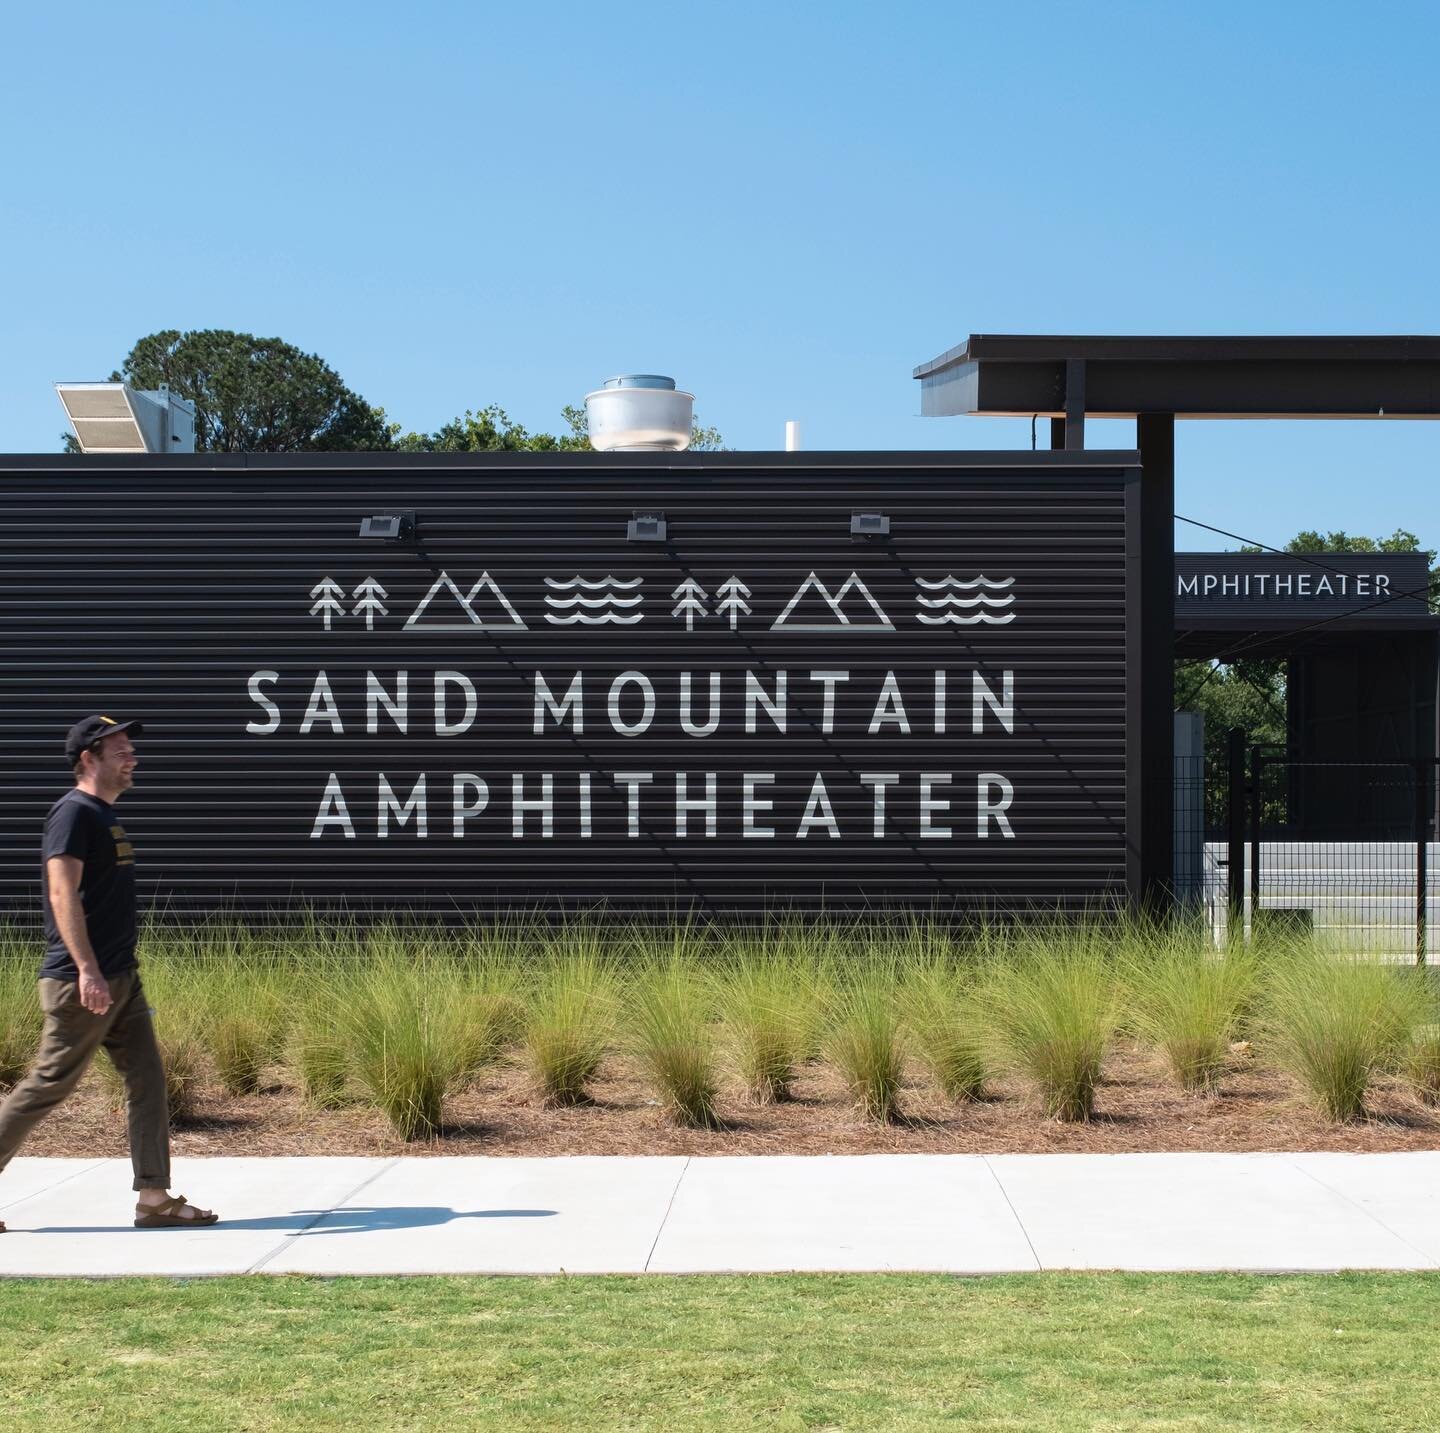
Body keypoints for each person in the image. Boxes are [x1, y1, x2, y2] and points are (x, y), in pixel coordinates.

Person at [0, 716, 218, 1232]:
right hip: (84, 980)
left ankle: (154, 1198)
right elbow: (61, 893)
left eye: (129, 747)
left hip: (120, 977)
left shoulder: (102, 815)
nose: (131, 756)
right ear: (88, 758)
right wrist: (87, 968)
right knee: (50, 1083)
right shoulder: (73, 813)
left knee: (147, 1080)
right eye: (120, 748)